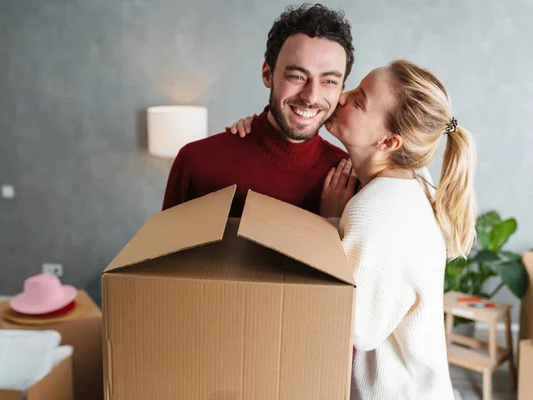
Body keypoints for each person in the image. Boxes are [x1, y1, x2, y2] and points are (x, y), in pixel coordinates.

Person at [228, 59, 476, 400]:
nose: (342, 97)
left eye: (359, 101)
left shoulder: (376, 209)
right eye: (356, 87)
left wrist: (330, 222)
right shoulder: (416, 180)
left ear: (389, 142)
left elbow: (357, 327)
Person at [162, 4, 355, 216]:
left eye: (329, 81)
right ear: (267, 74)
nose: (311, 97)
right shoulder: (197, 161)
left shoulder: (348, 179)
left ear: (341, 88)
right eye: (297, 77)